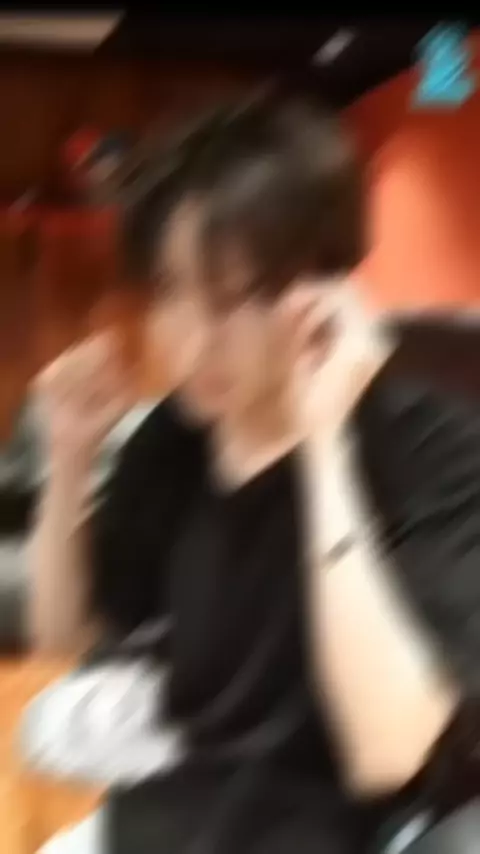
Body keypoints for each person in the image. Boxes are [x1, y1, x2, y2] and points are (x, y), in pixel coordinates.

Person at [25, 87, 480, 854]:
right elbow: (64, 637)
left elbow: (389, 752)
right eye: (171, 292)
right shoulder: (173, 441)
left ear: (323, 289)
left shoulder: (426, 446)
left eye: (234, 299)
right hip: (164, 818)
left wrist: (325, 446)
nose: (193, 340)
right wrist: (67, 462)